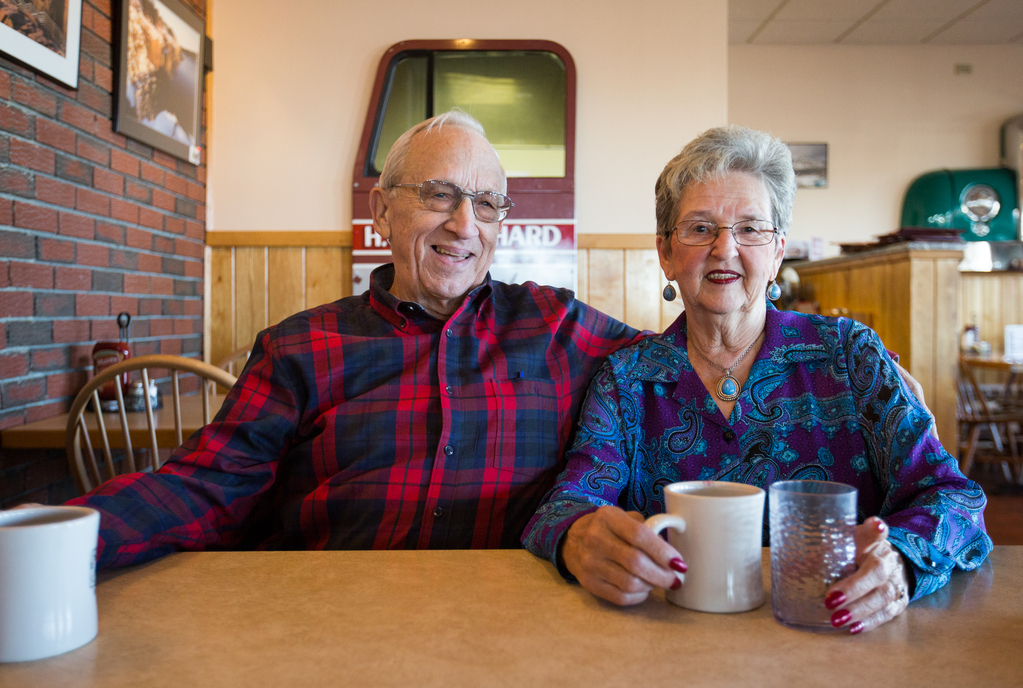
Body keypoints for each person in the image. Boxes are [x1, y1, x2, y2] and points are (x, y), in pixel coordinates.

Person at [66, 111, 642, 568]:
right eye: (440, 195)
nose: (465, 224)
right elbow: (207, 486)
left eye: (487, 205)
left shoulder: (556, 327)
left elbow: (681, 363)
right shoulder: (299, 348)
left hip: (508, 622)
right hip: (327, 621)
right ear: (382, 212)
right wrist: (66, 540)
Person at [522, 125, 991, 635]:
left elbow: (953, 497)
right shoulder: (629, 380)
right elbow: (566, 506)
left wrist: (899, 560)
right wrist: (580, 537)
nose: (725, 249)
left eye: (750, 229)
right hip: (672, 643)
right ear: (666, 254)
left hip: (835, 641)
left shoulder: (850, 357)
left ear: (778, 251)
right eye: (700, 229)